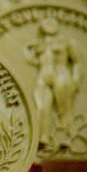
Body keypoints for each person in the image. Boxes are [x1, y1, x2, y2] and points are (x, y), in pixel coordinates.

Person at [23, 17, 80, 145]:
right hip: (43, 75)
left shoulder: (67, 42)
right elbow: (34, 62)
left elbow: (77, 63)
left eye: (52, 22)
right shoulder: (40, 44)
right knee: (42, 108)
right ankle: (42, 138)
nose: (49, 24)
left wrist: (75, 80)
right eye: (46, 22)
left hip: (61, 74)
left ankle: (68, 138)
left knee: (64, 110)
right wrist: (26, 49)